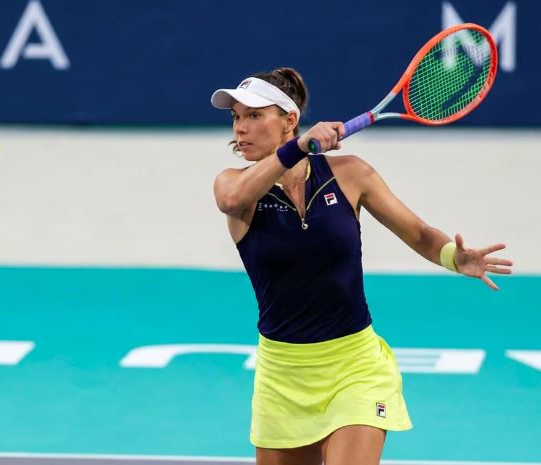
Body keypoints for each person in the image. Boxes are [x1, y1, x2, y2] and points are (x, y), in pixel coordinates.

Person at [210, 68, 513, 465]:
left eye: (254, 115)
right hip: (282, 375)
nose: (241, 127)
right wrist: (298, 148)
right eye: (236, 117)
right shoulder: (234, 184)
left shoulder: (350, 174)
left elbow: (419, 233)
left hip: (355, 366)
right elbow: (231, 201)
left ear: (289, 119)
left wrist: (453, 258)